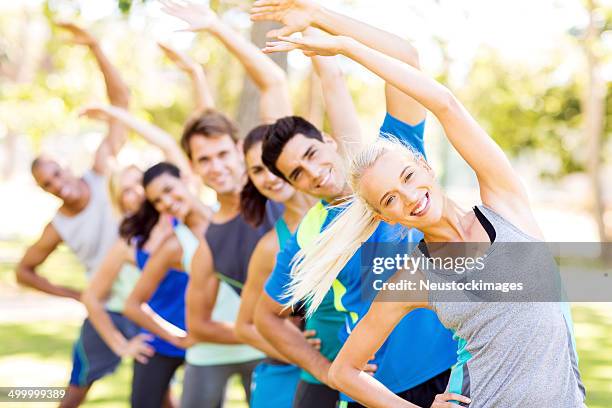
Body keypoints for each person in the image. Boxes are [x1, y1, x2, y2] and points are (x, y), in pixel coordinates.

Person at [267, 27, 587, 408]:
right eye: (390, 199)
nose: (409, 197)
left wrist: (347, 47)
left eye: (407, 177)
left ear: (424, 166)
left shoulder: (506, 205)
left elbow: (444, 104)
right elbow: (343, 372)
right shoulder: (415, 278)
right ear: (387, 216)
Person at [252, 2, 457, 407]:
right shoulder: (308, 234)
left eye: (311, 154)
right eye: (296, 173)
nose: (311, 173)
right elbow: (264, 318)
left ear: (328, 141)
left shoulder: (393, 157)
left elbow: (405, 56)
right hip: (387, 388)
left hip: (461, 358)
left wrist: (321, 19)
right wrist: (323, 368)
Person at [158, 1, 299, 406]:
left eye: (222, 154)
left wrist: (216, 29)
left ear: (239, 149)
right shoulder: (209, 242)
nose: (216, 166)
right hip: (288, 359)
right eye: (204, 159)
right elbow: (216, 325)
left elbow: (273, 84)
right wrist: (282, 338)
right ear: (192, 167)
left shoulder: (278, 181)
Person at [15, 22, 130, 408]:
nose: (57, 185)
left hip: (150, 291)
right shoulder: (58, 226)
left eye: (56, 174)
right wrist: (74, 294)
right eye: (48, 185)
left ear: (65, 166)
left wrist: (97, 47)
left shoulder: (101, 171)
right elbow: (23, 271)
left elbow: (121, 103)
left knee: (156, 382)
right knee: (76, 391)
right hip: (109, 306)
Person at [235, 123, 315, 408]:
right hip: (290, 385)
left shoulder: (344, 210)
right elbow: (245, 325)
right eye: (257, 170)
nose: (269, 176)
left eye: (271, 164)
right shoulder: (270, 247)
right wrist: (301, 352)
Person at [121, 162, 212, 408]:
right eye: (158, 201)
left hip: (219, 340)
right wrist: (178, 338)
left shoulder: (225, 221)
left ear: (185, 178)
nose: (167, 202)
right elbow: (132, 305)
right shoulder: (172, 244)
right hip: (170, 342)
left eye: (169, 190)